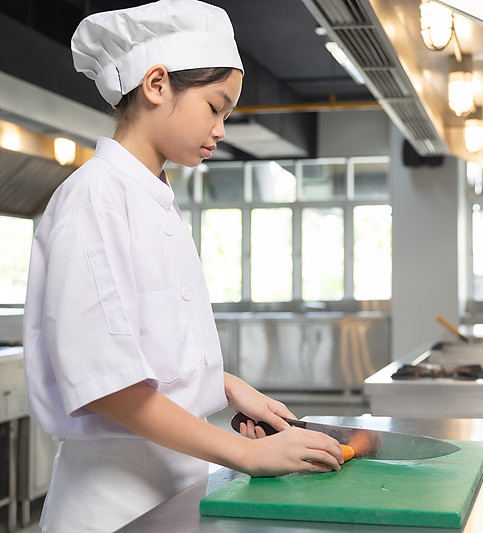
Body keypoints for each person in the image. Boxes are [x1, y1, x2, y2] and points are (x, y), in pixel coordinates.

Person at [22, 1, 343, 531]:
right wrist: (247, 455)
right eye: (215, 107)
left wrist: (226, 386)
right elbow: (109, 386)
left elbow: (149, 351)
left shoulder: (154, 200)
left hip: (175, 490)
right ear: (156, 84)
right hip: (112, 503)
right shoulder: (96, 198)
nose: (221, 129)